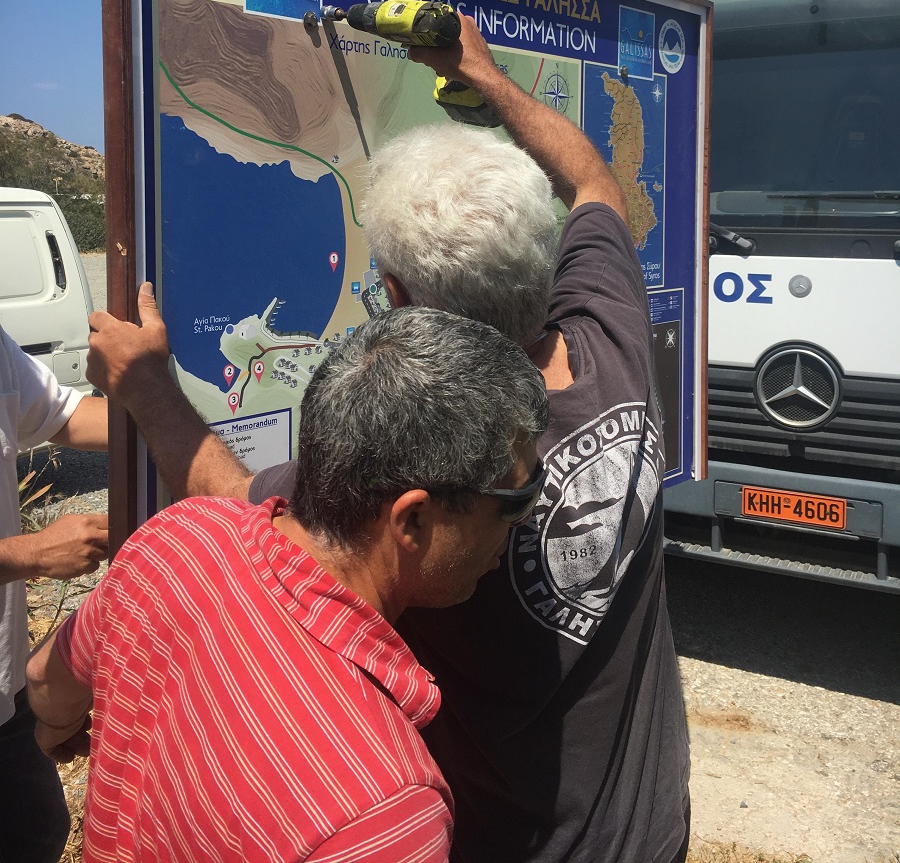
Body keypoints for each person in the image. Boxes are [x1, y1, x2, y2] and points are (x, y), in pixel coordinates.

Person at [86, 16, 690, 862]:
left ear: (400, 302)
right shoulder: (612, 340)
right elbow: (594, 182)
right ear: (551, 260)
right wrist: (487, 77)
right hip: (651, 828)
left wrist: (149, 387)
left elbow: (237, 505)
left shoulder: (418, 471)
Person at [28, 307, 549, 863]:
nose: (524, 524)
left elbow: (43, 680)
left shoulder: (182, 533)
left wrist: (59, 726)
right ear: (413, 520)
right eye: (516, 501)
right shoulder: (385, 816)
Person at [0, 325, 109, 863]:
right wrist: (32, 553)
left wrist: (184, 408)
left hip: (6, 690)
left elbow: (64, 415)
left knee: (38, 830)